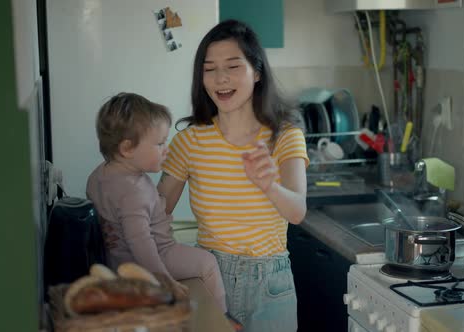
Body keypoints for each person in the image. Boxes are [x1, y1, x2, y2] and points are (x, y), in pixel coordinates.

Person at [158, 20, 308, 332]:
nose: (220, 78)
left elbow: (297, 211)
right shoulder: (189, 141)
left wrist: (269, 186)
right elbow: (158, 213)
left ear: (257, 71)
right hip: (208, 277)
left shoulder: (285, 135)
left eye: (232, 66)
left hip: (270, 284)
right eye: (209, 68)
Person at [85, 92, 229, 315]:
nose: (166, 149)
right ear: (127, 148)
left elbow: (119, 218)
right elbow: (141, 242)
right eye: (160, 143)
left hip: (115, 260)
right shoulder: (135, 190)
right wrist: (164, 280)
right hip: (156, 256)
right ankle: (221, 320)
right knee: (208, 263)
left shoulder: (98, 177)